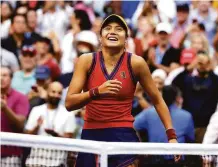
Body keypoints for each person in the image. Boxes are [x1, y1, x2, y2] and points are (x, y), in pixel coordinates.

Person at [65, 14, 180, 167]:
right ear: (100, 37)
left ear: (126, 39)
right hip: (91, 134)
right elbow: (69, 103)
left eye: (119, 29)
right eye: (107, 28)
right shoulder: (86, 60)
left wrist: (171, 136)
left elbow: (158, 100)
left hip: (122, 134)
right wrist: (97, 91)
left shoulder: (136, 63)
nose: (112, 32)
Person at [134, 85, 194, 166]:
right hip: (172, 161)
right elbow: (190, 139)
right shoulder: (187, 116)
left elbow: (131, 125)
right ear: (176, 98)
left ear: (161, 95)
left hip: (157, 160)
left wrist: (140, 145)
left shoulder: (148, 113)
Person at [24, 81, 76, 167]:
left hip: (57, 162)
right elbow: (27, 137)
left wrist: (55, 134)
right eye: (53, 92)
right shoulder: (36, 110)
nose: (56, 95)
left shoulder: (68, 114)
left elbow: (69, 140)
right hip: (35, 161)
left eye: (59, 93)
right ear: (47, 92)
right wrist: (37, 126)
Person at [1, 66, 30, 166]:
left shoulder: (20, 98)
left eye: (4, 75)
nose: (1, 78)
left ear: (11, 78)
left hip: (10, 155)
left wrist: (5, 108)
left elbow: (20, 124)